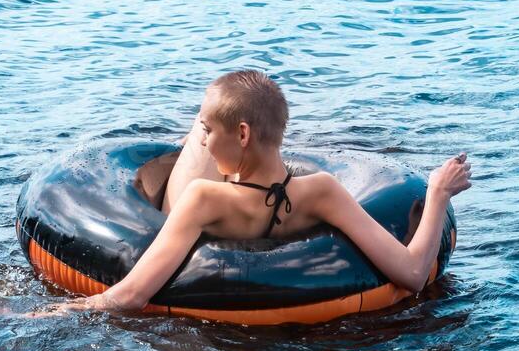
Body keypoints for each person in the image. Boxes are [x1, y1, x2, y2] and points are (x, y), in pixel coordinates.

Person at [32, 70, 471, 315]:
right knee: (231, 109)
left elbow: (130, 296)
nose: (202, 141)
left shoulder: (204, 200)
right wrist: (437, 193)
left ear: (241, 134)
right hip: (272, 185)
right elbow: (413, 274)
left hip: (214, 212)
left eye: (207, 131)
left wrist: (41, 314)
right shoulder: (322, 191)